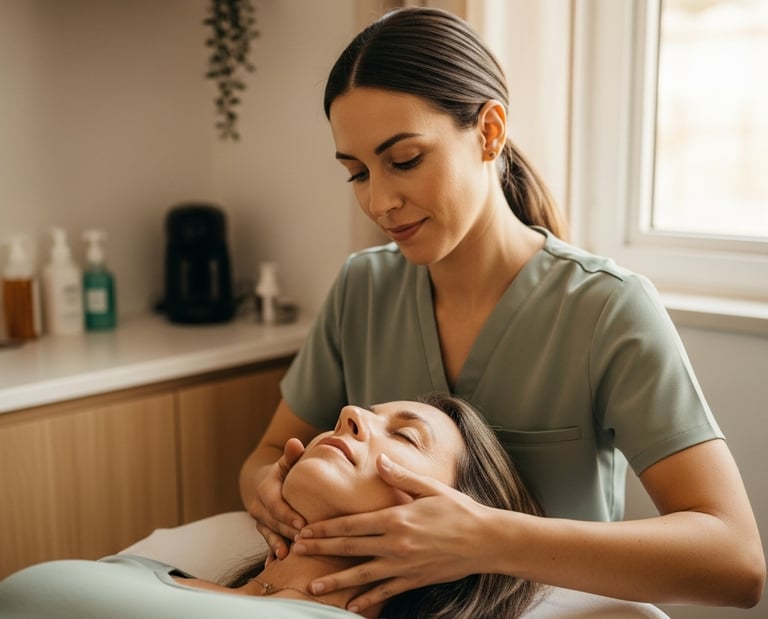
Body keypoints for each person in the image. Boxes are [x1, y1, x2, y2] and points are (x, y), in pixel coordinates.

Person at [238, 6, 765, 615]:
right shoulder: (363, 288)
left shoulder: (606, 309)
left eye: (404, 160)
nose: (379, 201)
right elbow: (267, 455)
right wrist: (268, 491)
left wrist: (483, 539)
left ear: (489, 133)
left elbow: (737, 562)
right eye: (357, 173)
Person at [0, 395, 543, 619]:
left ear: (451, 520)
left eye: (404, 437)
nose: (350, 413)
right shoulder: (153, 572)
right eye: (364, 413)